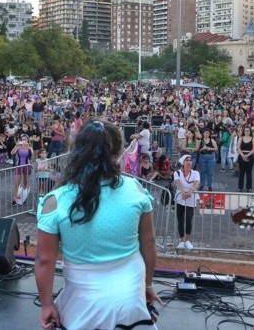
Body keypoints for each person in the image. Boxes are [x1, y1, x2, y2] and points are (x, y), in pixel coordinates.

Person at [35, 120, 161, 330]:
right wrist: (147, 284)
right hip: (131, 292)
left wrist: (47, 304)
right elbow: (148, 242)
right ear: (116, 152)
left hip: (84, 304)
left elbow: (45, 260)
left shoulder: (54, 201)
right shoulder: (136, 189)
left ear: (77, 150)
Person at [174, 154, 199, 249]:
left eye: (190, 160)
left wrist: (190, 191)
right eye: (187, 160)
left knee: (189, 219)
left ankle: (187, 239)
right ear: (183, 163)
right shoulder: (177, 172)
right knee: (180, 219)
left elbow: (196, 183)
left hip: (191, 198)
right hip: (180, 197)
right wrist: (182, 192)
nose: (189, 162)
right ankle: (181, 240)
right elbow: (178, 182)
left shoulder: (196, 173)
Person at [237, 125, 254, 192]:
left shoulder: (253, 138)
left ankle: (249, 187)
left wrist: (247, 155)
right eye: (245, 130)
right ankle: (240, 187)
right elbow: (238, 148)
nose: (247, 132)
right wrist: (243, 155)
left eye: (248, 130)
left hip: (250, 156)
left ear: (250, 131)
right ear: (244, 131)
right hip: (241, 155)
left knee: (249, 172)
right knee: (241, 172)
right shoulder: (241, 138)